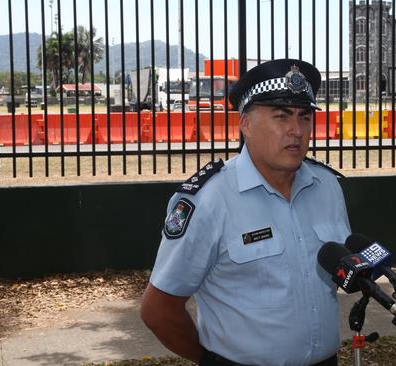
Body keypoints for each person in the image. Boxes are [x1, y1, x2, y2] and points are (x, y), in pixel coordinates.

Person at [141, 59, 351, 366]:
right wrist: (209, 360)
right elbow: (158, 310)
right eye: (281, 117)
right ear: (246, 125)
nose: (296, 130)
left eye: (304, 117)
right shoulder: (210, 199)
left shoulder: (327, 186)